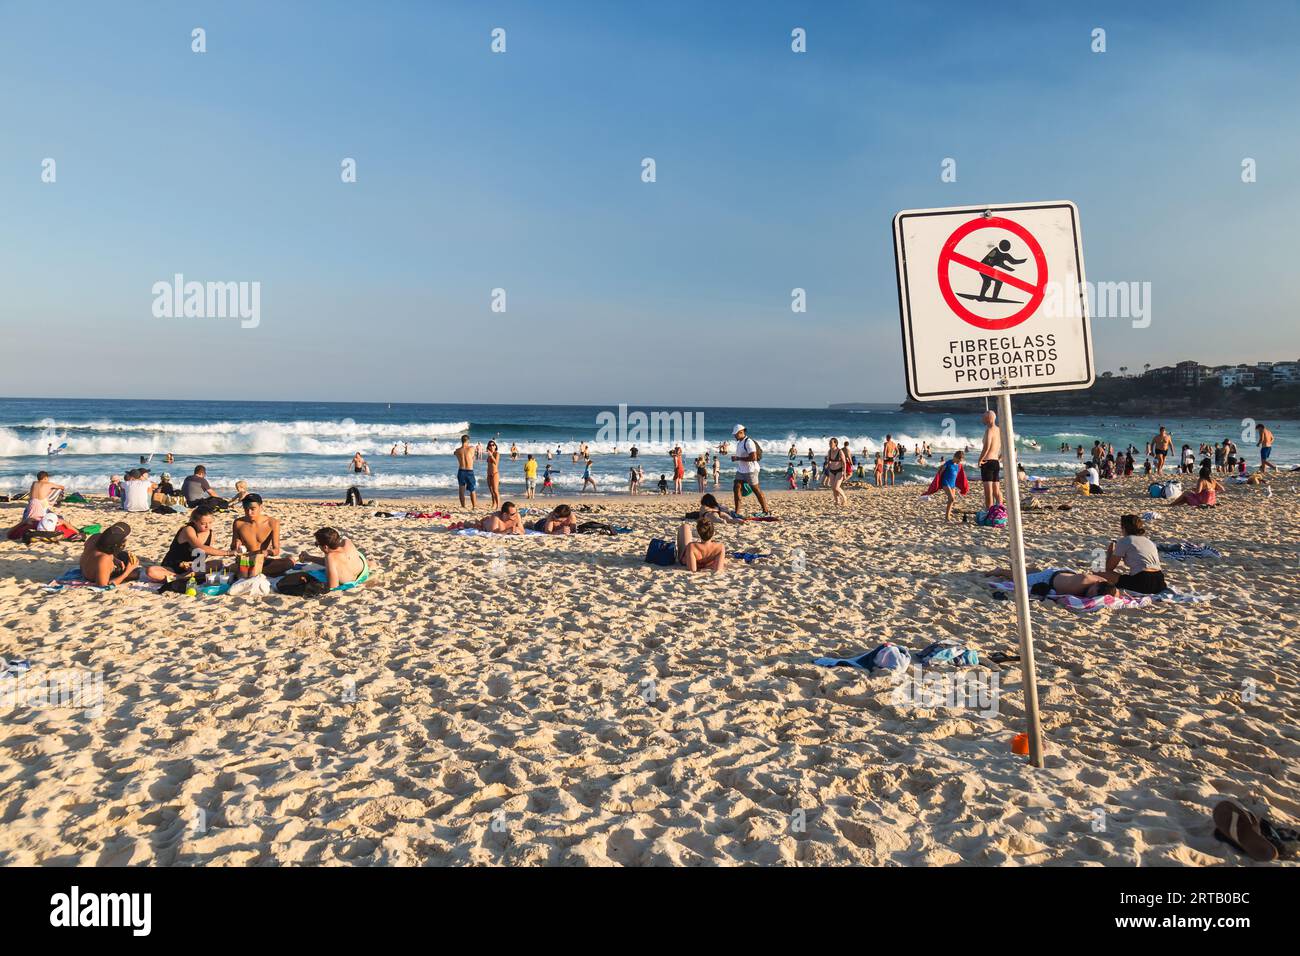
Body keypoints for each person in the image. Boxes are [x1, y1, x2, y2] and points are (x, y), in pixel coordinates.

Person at [79, 522, 171, 586]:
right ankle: (173, 574)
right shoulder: (104, 558)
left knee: (124, 556)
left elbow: (98, 551)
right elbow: (103, 585)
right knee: (137, 572)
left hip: (87, 568)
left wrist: (114, 559)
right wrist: (128, 571)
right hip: (93, 576)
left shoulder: (95, 537)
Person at [1100, 514, 1167, 594]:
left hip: (1143, 581)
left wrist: (1110, 552)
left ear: (1124, 528)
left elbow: (1109, 568)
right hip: (1160, 581)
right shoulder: (1149, 542)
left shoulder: (1125, 540)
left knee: (1098, 571)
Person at [230, 494, 294, 577]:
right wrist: (236, 544)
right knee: (244, 565)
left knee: (290, 561)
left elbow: (276, 551)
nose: (249, 512)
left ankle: (250, 571)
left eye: (253, 509)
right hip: (246, 560)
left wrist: (267, 552)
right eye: (246, 509)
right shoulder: (238, 523)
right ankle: (253, 572)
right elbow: (233, 548)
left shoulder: (272, 523)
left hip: (262, 560)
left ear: (261, 507)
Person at [160, 507, 237, 574]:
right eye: (203, 523)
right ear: (195, 521)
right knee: (152, 571)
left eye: (210, 523)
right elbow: (199, 547)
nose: (207, 526)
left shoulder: (211, 533)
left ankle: (183, 576)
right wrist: (228, 553)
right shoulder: (188, 530)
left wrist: (194, 564)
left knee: (218, 563)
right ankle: (181, 576)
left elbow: (206, 553)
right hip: (174, 566)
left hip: (193, 567)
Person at [297, 527, 369, 590]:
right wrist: (309, 558)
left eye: (317, 544)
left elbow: (333, 586)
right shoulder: (347, 542)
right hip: (362, 571)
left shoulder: (330, 557)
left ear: (325, 547)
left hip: (349, 580)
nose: (318, 546)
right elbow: (337, 563)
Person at [985, 566, 1117, 599]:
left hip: (1065, 571)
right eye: (1093, 594)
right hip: (1049, 579)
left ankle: (1015, 567)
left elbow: (1115, 593)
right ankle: (1000, 571)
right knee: (1019, 578)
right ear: (1096, 585)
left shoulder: (1103, 582)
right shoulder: (1079, 585)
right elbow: (1058, 595)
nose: (1091, 596)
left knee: (1035, 572)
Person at [730, 424, 771, 515]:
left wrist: (738, 458)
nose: (734, 436)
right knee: (736, 487)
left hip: (751, 470)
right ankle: (737, 512)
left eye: (735, 434)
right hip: (741, 470)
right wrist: (736, 457)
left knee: (756, 490)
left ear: (741, 432)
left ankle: (766, 511)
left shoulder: (748, 442)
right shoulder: (740, 442)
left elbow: (754, 457)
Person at [977, 410, 1003, 509]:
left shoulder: (989, 430)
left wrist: (980, 460)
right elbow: (1005, 447)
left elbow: (986, 447)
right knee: (996, 491)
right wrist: (999, 458)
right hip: (996, 462)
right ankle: (1000, 511)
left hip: (987, 462)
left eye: (983, 417)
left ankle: (989, 513)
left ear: (989, 418)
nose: (982, 419)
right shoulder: (999, 430)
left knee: (989, 492)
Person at [936, 450, 965, 521]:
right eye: (958, 460)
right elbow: (940, 473)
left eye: (960, 461)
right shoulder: (948, 463)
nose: (959, 462)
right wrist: (938, 482)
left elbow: (957, 475)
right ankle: (947, 517)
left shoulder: (958, 465)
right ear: (955, 457)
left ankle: (947, 515)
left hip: (953, 484)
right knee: (951, 498)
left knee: (952, 500)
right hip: (946, 483)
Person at [454, 435, 478, 510]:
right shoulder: (471, 448)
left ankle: (463, 506)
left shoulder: (457, 450)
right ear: (468, 441)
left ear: (461, 441)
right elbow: (474, 457)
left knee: (461, 490)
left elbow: (454, 453)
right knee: (472, 490)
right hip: (469, 471)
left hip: (461, 471)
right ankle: (474, 507)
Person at [824, 437, 849, 506]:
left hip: (839, 471)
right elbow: (828, 460)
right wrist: (827, 465)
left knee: (836, 487)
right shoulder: (829, 451)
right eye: (829, 443)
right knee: (833, 488)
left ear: (835, 443)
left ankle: (844, 497)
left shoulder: (840, 451)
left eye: (831, 443)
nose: (829, 444)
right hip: (832, 471)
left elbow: (844, 462)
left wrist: (844, 473)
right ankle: (837, 501)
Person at [485, 440, 502, 509]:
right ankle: (493, 504)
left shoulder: (496, 453)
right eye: (490, 445)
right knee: (491, 491)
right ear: (488, 447)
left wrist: (491, 455)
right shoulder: (489, 455)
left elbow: (496, 463)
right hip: (489, 474)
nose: (491, 446)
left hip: (495, 474)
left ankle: (498, 506)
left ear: (495, 446)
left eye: (493, 445)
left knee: (495, 490)